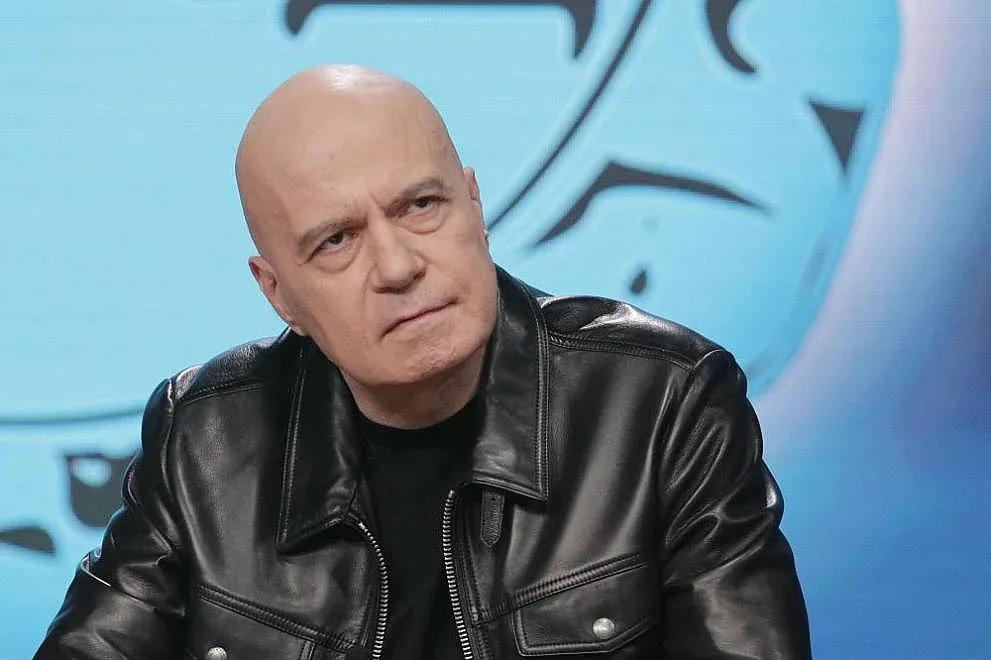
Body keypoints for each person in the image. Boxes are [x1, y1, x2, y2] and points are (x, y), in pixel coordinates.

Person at [35, 65, 811, 659]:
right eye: (336, 240)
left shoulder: (664, 404)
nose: (399, 266)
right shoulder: (204, 438)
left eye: (420, 206)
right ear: (278, 293)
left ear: (474, 205)